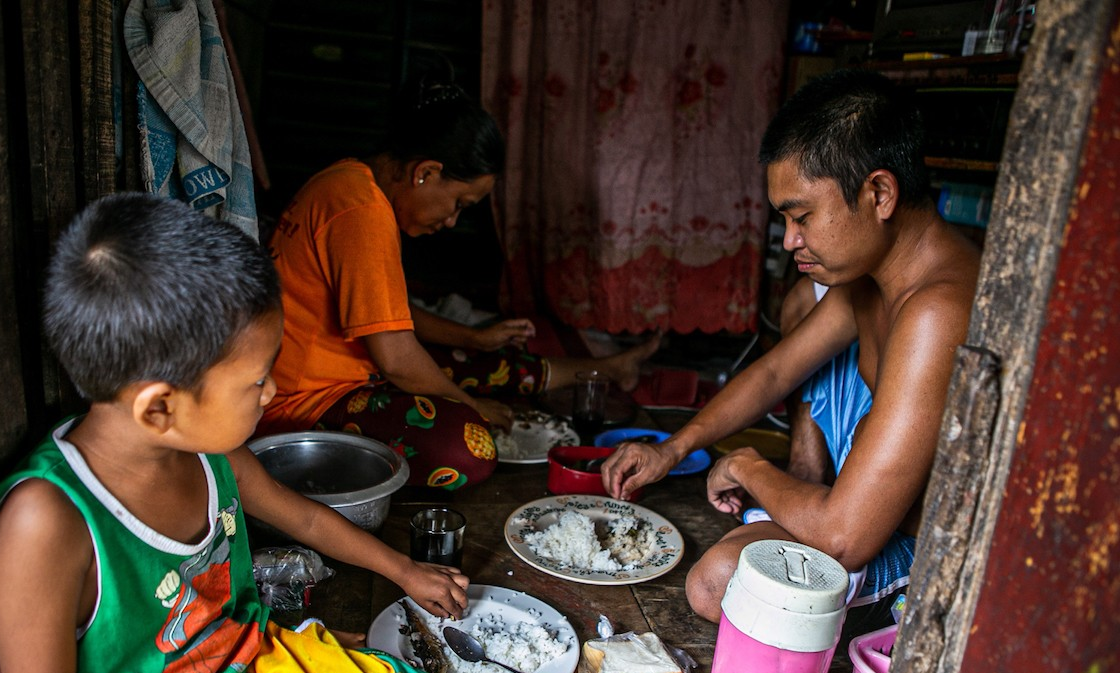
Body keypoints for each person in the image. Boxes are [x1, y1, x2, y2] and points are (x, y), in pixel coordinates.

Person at [0, 193, 468, 673]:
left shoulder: (212, 454)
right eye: (257, 380)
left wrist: (405, 571)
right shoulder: (47, 520)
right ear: (160, 406)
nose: (269, 395)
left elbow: (307, 523)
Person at [601, 69, 982, 626]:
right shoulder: (876, 280)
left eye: (802, 216)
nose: (789, 239)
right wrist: (673, 449)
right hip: (863, 521)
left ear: (879, 193)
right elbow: (777, 372)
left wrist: (748, 466)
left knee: (719, 584)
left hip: (928, 563)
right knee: (726, 574)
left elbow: (845, 537)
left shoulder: (937, 310)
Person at [257, 75, 659, 490]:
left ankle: (609, 368)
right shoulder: (361, 210)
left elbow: (386, 315)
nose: (451, 221)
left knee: (482, 362)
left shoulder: (346, 181)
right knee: (471, 447)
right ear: (426, 173)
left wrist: (473, 339)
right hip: (299, 407)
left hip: (339, 375)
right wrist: (471, 405)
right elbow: (395, 357)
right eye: (459, 204)